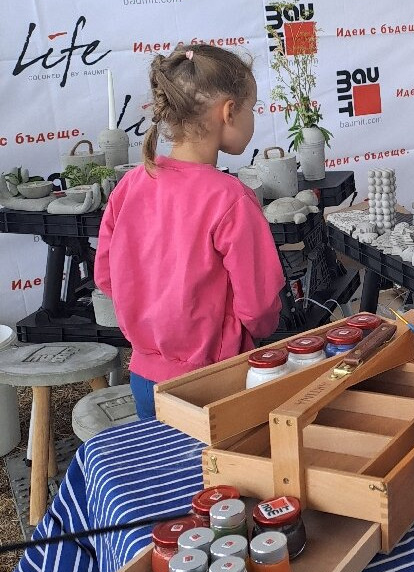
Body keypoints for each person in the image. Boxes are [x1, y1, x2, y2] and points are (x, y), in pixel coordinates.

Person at [95, 44, 285, 419]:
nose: (252, 118)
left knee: (171, 475)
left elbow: (106, 277)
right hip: (217, 380)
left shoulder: (131, 185)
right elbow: (260, 308)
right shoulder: (230, 199)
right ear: (229, 111)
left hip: (145, 377)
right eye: (252, 108)